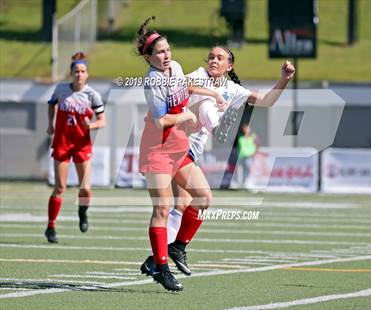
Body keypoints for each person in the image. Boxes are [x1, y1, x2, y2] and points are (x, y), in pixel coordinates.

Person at [140, 46, 295, 276]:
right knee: (179, 204)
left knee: (184, 205)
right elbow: (182, 86)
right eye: (211, 56)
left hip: (190, 149)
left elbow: (267, 100)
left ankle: (159, 258)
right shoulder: (199, 75)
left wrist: (284, 79)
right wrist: (212, 93)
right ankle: (163, 256)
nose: (213, 60)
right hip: (173, 143)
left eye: (219, 58)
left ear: (229, 66)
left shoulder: (231, 88)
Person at [136, 16, 227, 292]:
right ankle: (161, 267)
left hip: (177, 147)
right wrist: (186, 114)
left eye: (167, 50)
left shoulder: (174, 67)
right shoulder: (152, 82)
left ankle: (177, 247)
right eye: (159, 52)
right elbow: (160, 121)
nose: (166, 55)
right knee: (162, 208)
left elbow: (185, 87)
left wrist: (211, 92)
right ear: (149, 57)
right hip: (157, 151)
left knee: (203, 197)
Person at [45, 52, 106, 244]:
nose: (79, 74)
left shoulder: (92, 95)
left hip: (81, 145)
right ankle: (51, 226)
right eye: (76, 71)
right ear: (72, 73)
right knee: (60, 186)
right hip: (63, 142)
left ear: (87, 74)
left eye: (83, 71)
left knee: (85, 189)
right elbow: (51, 105)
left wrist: (91, 126)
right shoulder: (61, 90)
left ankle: (83, 211)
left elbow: (102, 120)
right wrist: (51, 124)